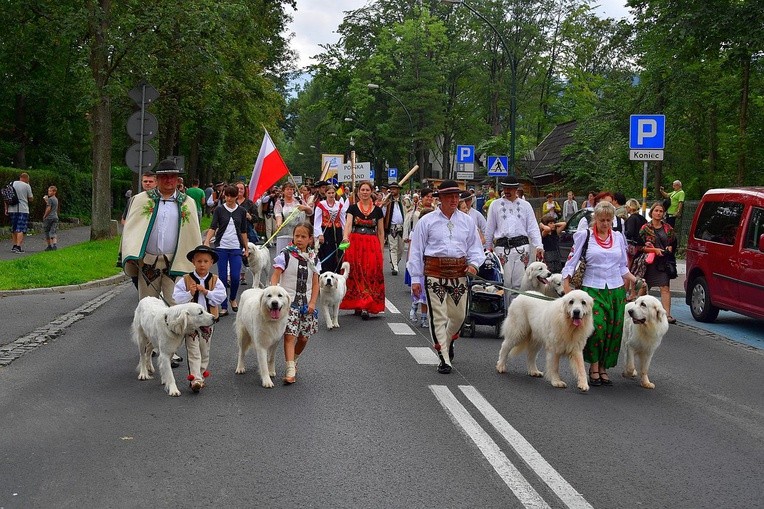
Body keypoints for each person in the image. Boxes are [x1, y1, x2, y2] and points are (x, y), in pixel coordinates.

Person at [408, 180, 485, 374]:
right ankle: (443, 357)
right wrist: (416, 279)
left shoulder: (468, 221)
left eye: (456, 196)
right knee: (438, 316)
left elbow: (476, 249)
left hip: (459, 274)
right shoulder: (427, 221)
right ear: (439, 198)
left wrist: (474, 265)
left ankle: (448, 340)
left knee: (459, 316)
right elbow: (416, 251)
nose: (454, 199)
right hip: (434, 274)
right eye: (449, 196)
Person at [561, 201, 639, 386]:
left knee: (613, 331)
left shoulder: (618, 237)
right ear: (595, 219)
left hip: (615, 289)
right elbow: (571, 262)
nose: (605, 223)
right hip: (592, 289)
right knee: (597, 330)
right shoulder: (585, 236)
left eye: (608, 220)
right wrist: (566, 287)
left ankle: (604, 368)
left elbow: (622, 266)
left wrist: (636, 280)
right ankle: (593, 367)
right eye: (602, 220)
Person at [121, 158, 202, 304]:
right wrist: (132, 252)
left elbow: (193, 233)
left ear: (178, 179)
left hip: (176, 262)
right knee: (148, 307)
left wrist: (197, 257)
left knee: (176, 307)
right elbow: (131, 230)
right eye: (164, 176)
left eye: (172, 176)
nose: (169, 180)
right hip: (148, 262)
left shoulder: (187, 202)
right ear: (157, 179)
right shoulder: (141, 200)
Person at [270, 221, 320, 384]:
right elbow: (276, 274)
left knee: (303, 338)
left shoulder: (314, 259)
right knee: (290, 336)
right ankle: (290, 369)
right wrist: (274, 291)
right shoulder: (286, 254)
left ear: (310, 239)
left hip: (306, 305)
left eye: (303, 236)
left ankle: (295, 359)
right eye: (296, 236)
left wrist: (312, 302)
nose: (299, 239)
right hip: (288, 304)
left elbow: (315, 283)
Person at [172, 245, 226, 392]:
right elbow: (176, 298)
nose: (202, 264)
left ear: (211, 263)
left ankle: (202, 374)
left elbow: (221, 297)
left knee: (205, 349)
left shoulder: (215, 280)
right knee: (193, 349)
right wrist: (190, 293)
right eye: (199, 261)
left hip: (208, 322)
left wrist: (207, 292)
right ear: (193, 262)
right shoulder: (186, 280)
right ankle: (195, 378)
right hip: (192, 324)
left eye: (206, 261)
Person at [484, 178, 544, 307]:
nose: (507, 191)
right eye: (505, 188)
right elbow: (489, 228)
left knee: (518, 284)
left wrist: (539, 246)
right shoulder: (495, 205)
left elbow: (532, 227)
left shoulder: (525, 205)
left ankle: (515, 315)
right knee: (505, 283)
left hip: (521, 248)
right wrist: (487, 248)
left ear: (516, 190)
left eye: (510, 188)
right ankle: (505, 313)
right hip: (502, 248)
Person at [340, 181, 385, 319]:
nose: (364, 192)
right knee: (356, 271)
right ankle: (358, 303)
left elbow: (381, 232)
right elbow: (348, 225)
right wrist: (345, 238)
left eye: (367, 190)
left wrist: (381, 250)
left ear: (371, 191)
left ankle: (368, 304)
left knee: (369, 272)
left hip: (371, 244)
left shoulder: (377, 210)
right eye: (362, 190)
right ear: (358, 192)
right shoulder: (352, 208)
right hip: (356, 243)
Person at [204, 185, 249, 317]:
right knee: (223, 278)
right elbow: (213, 227)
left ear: (237, 196)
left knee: (235, 277)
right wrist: (207, 241)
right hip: (221, 247)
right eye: (227, 195)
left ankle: (233, 298)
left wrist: (246, 247)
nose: (229, 198)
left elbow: (244, 230)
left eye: (232, 196)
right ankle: (223, 306)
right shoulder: (219, 210)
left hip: (236, 247)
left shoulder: (241, 211)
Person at [639, 201, 677, 324]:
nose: (658, 213)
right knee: (644, 287)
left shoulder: (668, 228)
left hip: (663, 262)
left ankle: (667, 314)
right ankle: (637, 308)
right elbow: (639, 247)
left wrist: (670, 248)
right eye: (656, 210)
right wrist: (653, 249)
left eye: (661, 211)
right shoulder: (645, 228)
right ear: (652, 212)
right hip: (648, 262)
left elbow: (673, 243)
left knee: (665, 287)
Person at [314, 184, 346, 274]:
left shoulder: (340, 205)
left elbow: (343, 220)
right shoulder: (321, 205)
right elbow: (317, 221)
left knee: (338, 252)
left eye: (333, 193)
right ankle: (325, 272)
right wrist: (319, 234)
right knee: (327, 252)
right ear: (325, 193)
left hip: (337, 231)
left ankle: (337, 272)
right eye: (329, 193)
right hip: (326, 231)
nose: (331, 195)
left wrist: (345, 233)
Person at [274, 182, 312, 251]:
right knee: (285, 254)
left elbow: (310, 212)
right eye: (288, 189)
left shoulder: (299, 200)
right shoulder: (280, 203)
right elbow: (278, 214)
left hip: (300, 233)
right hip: (285, 234)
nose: (290, 191)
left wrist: (305, 208)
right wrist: (278, 223)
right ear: (283, 191)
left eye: (291, 189)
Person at [623, 198, 648, 299]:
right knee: (635, 271)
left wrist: (623, 233)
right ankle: (634, 293)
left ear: (630, 207)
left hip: (632, 247)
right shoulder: (643, 219)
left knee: (627, 270)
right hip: (641, 246)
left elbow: (630, 232)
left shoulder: (631, 219)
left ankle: (627, 293)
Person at [5, 172, 34, 253]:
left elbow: (6, 196)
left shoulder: (11, 184)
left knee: (14, 229)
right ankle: (18, 246)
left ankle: (14, 246)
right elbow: (31, 198)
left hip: (12, 209)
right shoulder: (26, 185)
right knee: (20, 228)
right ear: (26, 179)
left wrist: (6, 208)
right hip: (23, 209)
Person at [382, 183, 406, 275]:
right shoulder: (387, 201)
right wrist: (384, 206)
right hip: (392, 227)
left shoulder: (403, 200)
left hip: (402, 227)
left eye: (394, 189)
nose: (392, 191)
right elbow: (383, 215)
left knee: (401, 249)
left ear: (398, 190)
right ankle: (395, 267)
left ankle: (395, 262)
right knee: (393, 248)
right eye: (391, 189)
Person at [42, 186, 59, 251]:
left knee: (47, 231)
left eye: (50, 191)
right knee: (53, 231)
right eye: (48, 191)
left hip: (49, 217)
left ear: (54, 192)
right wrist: (46, 201)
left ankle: (49, 246)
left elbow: (48, 208)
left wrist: (45, 215)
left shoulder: (50, 199)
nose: (49, 192)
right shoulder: (56, 199)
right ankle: (54, 245)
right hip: (55, 216)